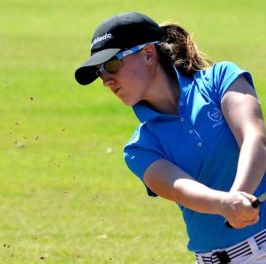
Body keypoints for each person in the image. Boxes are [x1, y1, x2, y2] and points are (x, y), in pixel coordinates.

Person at [74, 12, 266, 264]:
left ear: (148, 55)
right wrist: (226, 204)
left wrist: (238, 196)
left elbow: (255, 137)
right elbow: (181, 189)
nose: (106, 81)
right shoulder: (140, 148)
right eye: (100, 73)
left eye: (111, 65)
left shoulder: (221, 80)